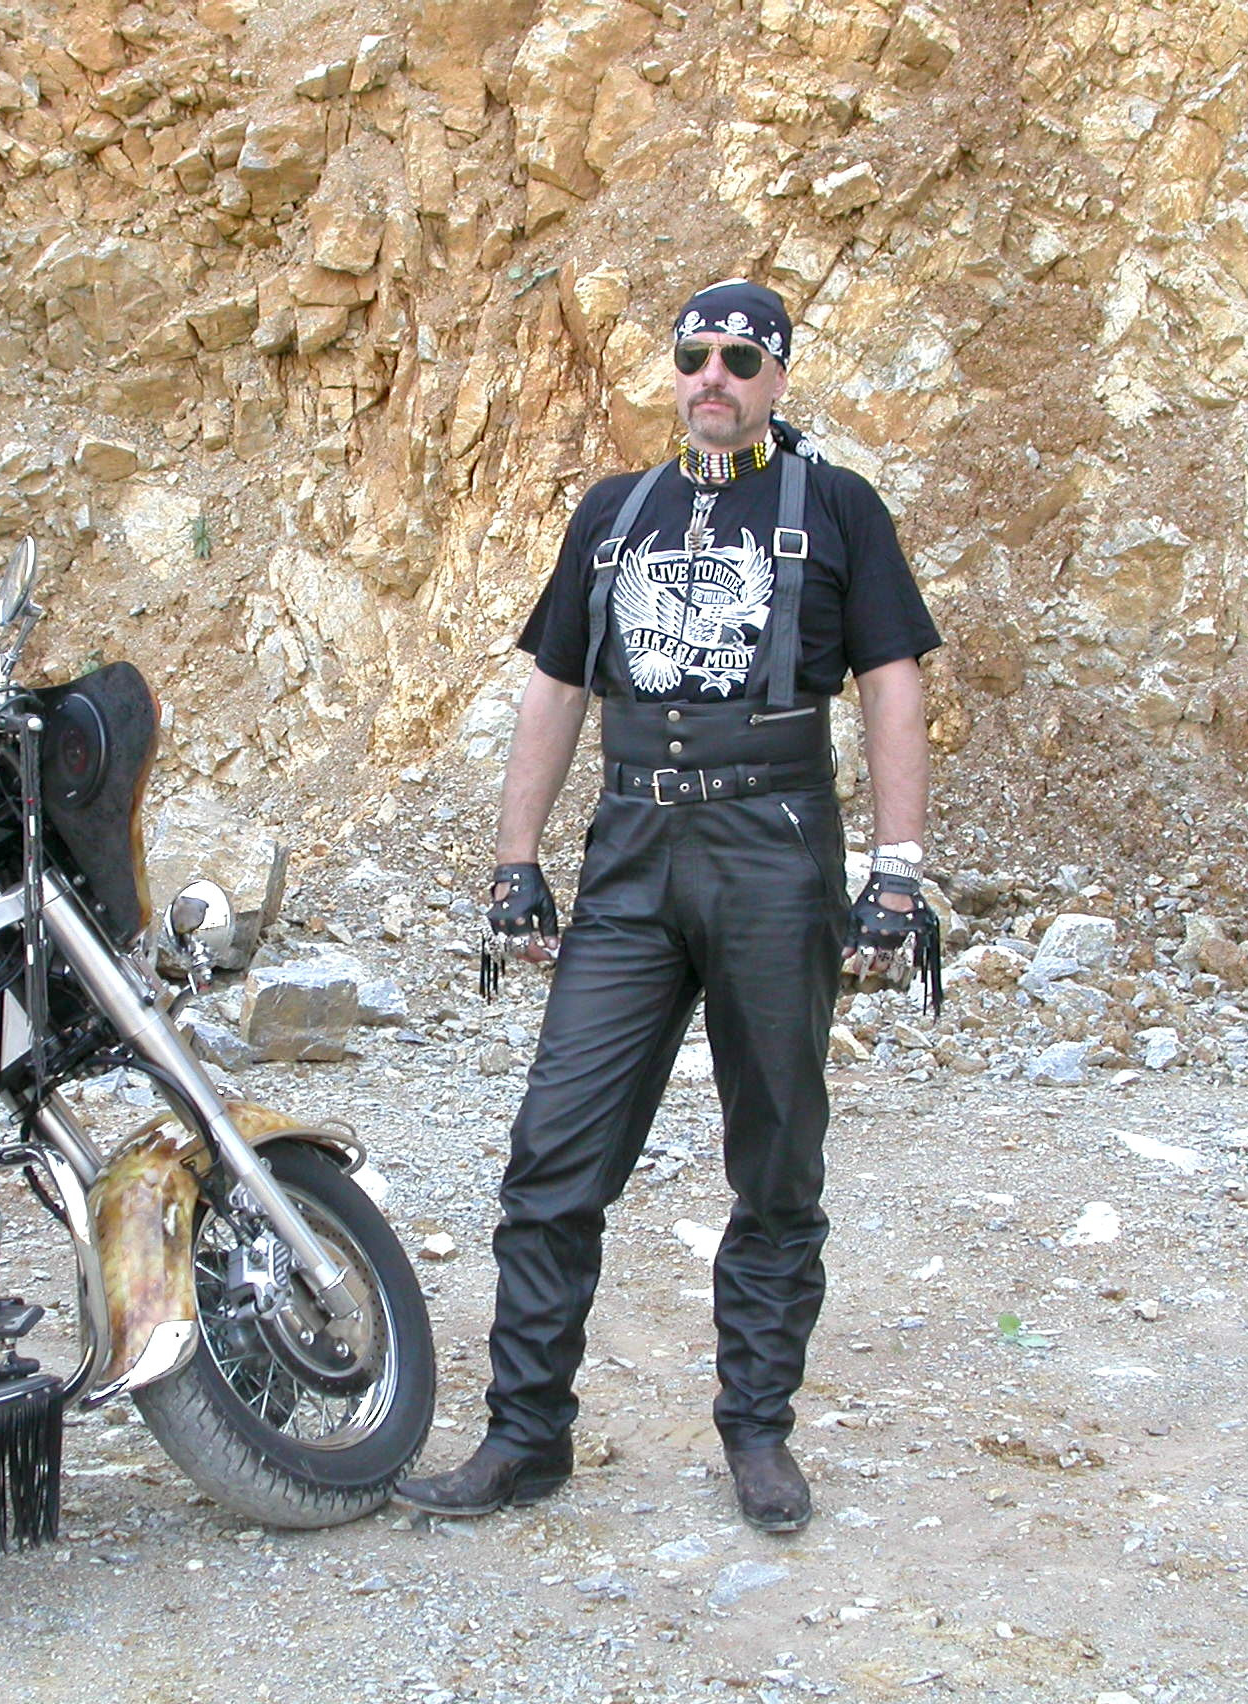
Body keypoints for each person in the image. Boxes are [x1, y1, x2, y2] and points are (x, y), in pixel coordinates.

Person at [395, 280, 941, 1533]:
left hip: (773, 848)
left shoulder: (837, 507)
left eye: (741, 358)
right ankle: (525, 1437)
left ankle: (756, 1434)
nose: (713, 376)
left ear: (777, 376)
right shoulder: (613, 511)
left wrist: (898, 868)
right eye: (695, 354)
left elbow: (891, 681)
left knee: (777, 1159)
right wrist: (514, 859)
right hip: (632, 852)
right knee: (552, 1154)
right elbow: (555, 684)